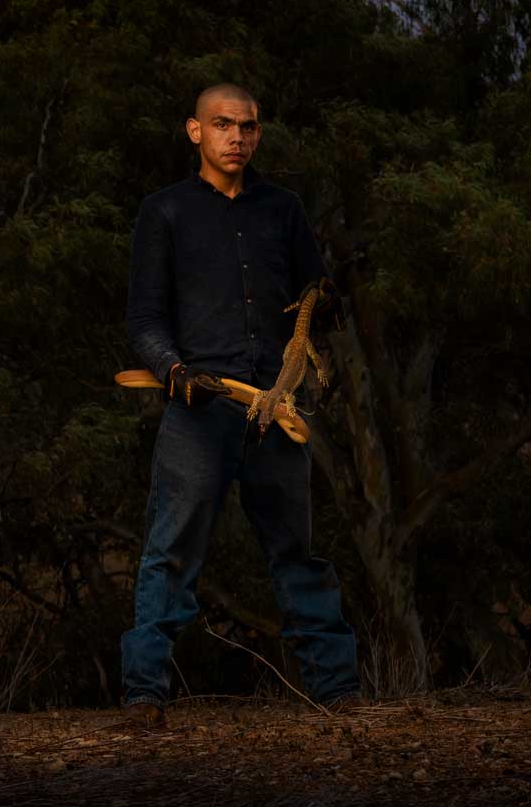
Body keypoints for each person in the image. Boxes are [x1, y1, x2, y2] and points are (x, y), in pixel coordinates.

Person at [120, 83, 361, 726]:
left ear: (259, 133)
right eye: (222, 125)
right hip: (200, 407)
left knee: (298, 555)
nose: (237, 138)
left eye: (248, 127)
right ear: (194, 132)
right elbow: (143, 317)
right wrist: (175, 373)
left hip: (276, 410)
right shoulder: (164, 212)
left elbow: (317, 298)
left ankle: (337, 695)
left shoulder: (282, 211)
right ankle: (144, 694)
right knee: (170, 552)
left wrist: (323, 304)